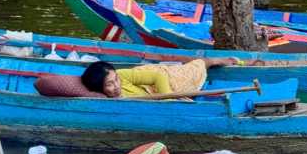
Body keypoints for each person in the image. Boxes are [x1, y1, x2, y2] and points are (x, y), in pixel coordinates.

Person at [80, 57, 237, 98]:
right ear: (100, 88)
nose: (116, 86)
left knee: (193, 69)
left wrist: (167, 97)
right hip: (153, 93)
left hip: (159, 81)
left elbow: (158, 76)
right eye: (109, 84)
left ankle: (215, 60)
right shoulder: (103, 98)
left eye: (115, 80)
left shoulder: (122, 75)